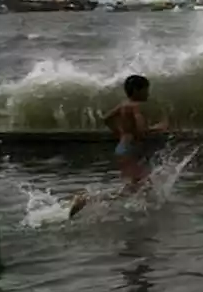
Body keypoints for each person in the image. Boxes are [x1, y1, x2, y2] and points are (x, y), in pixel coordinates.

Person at [69, 74, 167, 217]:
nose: (148, 93)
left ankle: (141, 209)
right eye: (146, 90)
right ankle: (87, 199)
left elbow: (106, 118)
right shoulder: (135, 107)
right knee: (135, 187)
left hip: (122, 148)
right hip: (131, 150)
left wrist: (120, 133)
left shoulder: (123, 105)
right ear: (136, 90)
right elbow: (141, 132)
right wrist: (159, 127)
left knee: (140, 185)